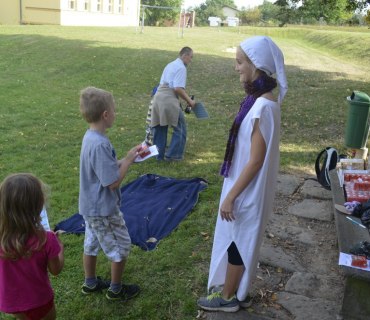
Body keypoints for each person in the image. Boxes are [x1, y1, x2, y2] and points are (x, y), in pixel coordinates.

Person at [197, 36, 288, 313]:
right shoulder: (257, 101)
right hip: (243, 184)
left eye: (239, 62)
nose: (236, 68)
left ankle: (228, 298)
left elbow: (256, 160)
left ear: (256, 65)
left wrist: (232, 195)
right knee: (238, 236)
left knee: (238, 238)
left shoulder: (262, 106)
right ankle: (237, 289)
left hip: (248, 188)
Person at [79, 87, 143, 302]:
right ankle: (116, 290)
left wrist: (127, 158)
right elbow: (112, 182)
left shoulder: (90, 137)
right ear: (105, 115)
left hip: (90, 208)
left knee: (91, 243)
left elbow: (103, 169)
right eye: (114, 111)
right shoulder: (100, 144)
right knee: (121, 246)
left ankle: (90, 283)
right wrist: (127, 162)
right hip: (103, 210)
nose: (116, 114)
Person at [0, 173, 64, 320]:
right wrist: (60, 248)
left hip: (12, 303)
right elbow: (56, 269)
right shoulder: (47, 239)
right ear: (38, 205)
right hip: (40, 301)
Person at [150, 47, 196, 161]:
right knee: (180, 128)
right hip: (168, 98)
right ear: (185, 56)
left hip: (158, 97)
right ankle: (173, 156)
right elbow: (177, 88)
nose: (191, 60)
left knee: (160, 126)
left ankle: (158, 155)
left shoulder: (170, 64)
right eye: (191, 57)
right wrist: (189, 101)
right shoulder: (181, 68)